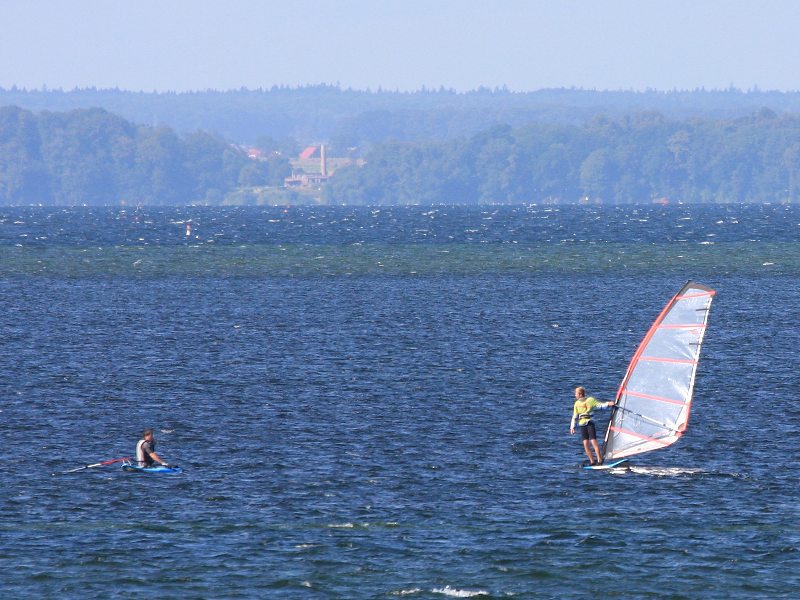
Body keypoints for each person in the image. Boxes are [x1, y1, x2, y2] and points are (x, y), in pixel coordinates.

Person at [569, 387, 614, 465]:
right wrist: (572, 426)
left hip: (590, 423)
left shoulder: (590, 400)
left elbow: (600, 405)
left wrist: (608, 404)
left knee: (593, 442)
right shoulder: (576, 404)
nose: (575, 395)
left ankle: (600, 460)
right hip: (582, 425)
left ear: (580, 394)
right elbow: (575, 416)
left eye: (576, 394)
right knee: (585, 444)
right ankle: (592, 461)